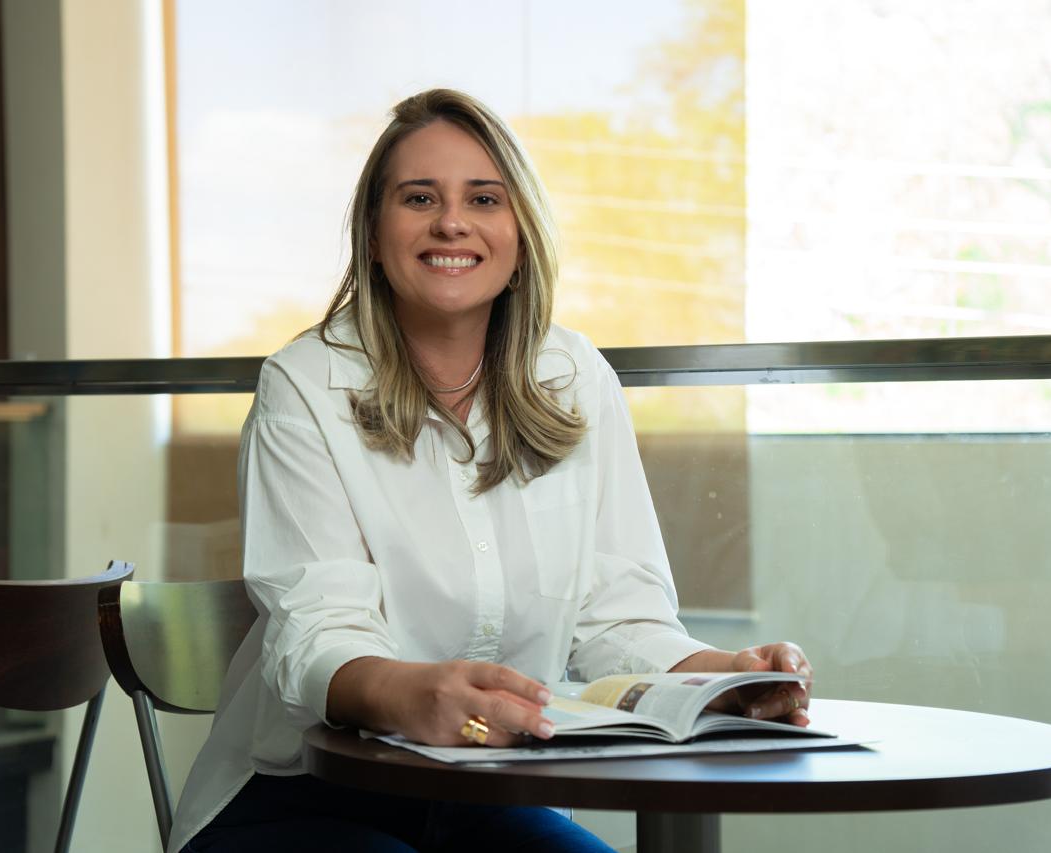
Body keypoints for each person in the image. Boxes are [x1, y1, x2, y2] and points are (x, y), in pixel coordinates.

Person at [171, 88, 813, 853]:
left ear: (519, 234)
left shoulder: (574, 374)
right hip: (299, 793)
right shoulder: (305, 384)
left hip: (484, 788)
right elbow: (316, 634)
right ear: (374, 235)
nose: (452, 222)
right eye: (419, 198)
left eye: (484, 197)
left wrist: (724, 678)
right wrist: (409, 692)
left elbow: (618, 614)